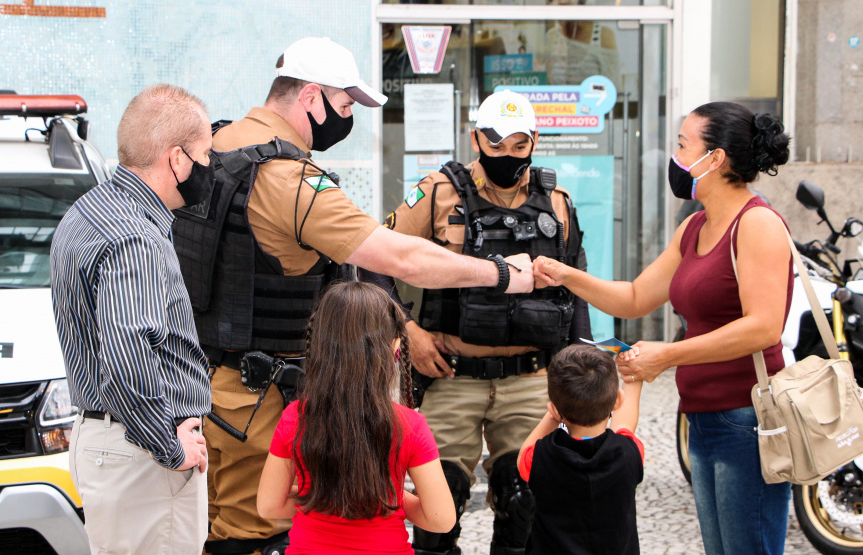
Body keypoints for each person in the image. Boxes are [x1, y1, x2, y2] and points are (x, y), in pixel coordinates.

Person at [170, 37, 533, 555]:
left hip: (198, 385)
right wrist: (499, 274)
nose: (347, 119)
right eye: (345, 106)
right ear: (311, 97)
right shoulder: (287, 178)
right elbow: (398, 258)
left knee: (214, 527)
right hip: (257, 403)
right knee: (255, 536)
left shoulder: (216, 144)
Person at [533, 101, 793, 555]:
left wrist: (667, 356)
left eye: (681, 145)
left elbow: (764, 328)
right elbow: (635, 297)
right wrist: (566, 274)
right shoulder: (695, 227)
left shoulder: (758, 225)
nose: (674, 157)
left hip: (748, 419)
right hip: (702, 416)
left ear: (714, 159)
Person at [363, 90, 591, 555]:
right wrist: (408, 332)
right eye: (495, 143)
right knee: (437, 513)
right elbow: (371, 263)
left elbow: (576, 290)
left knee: (525, 502)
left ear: (535, 141)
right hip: (451, 375)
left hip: (530, 379)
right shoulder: (437, 194)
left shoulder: (559, 204)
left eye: (518, 145)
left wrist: (583, 373)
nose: (506, 155)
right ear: (475, 138)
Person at [50, 84, 214, 554]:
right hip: (143, 456)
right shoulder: (136, 238)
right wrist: (168, 443)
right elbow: (127, 352)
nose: (209, 168)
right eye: (204, 155)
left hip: (108, 442)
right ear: (177, 159)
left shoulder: (87, 212)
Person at [256, 281, 455, 553]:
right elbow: (440, 519)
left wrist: (319, 496)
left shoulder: (298, 417)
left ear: (320, 344)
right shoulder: (409, 425)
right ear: (395, 346)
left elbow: (269, 505)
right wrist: (391, 498)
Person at [517, 344, 644, 555]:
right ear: (617, 401)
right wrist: (634, 375)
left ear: (554, 408)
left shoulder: (541, 456)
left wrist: (553, 416)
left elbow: (523, 456)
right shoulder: (629, 452)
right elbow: (625, 424)